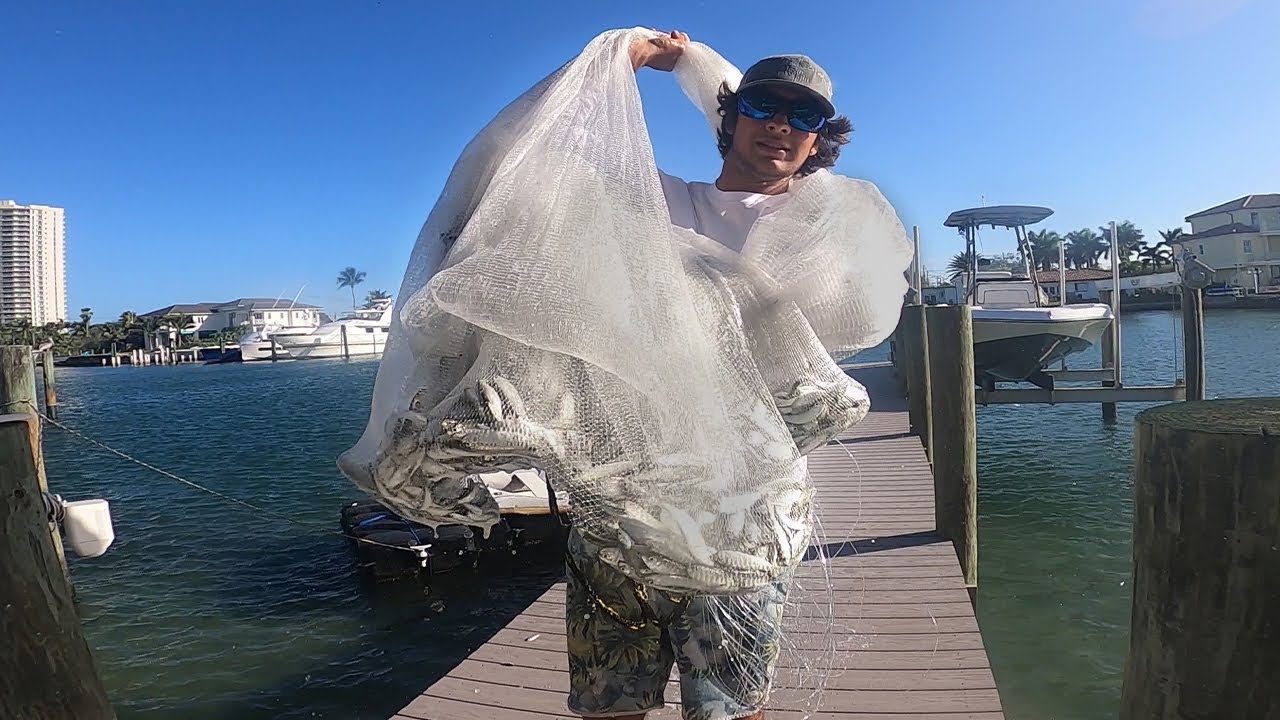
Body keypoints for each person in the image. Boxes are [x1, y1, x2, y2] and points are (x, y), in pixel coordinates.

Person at [565, 30, 861, 720]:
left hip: (746, 518)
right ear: (729, 117)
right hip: (622, 499)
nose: (782, 125)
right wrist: (629, 61)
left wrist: (702, 73)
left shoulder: (825, 230)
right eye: (763, 106)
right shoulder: (659, 201)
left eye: (805, 116)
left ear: (822, 141)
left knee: (726, 710)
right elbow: (558, 154)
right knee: (608, 705)